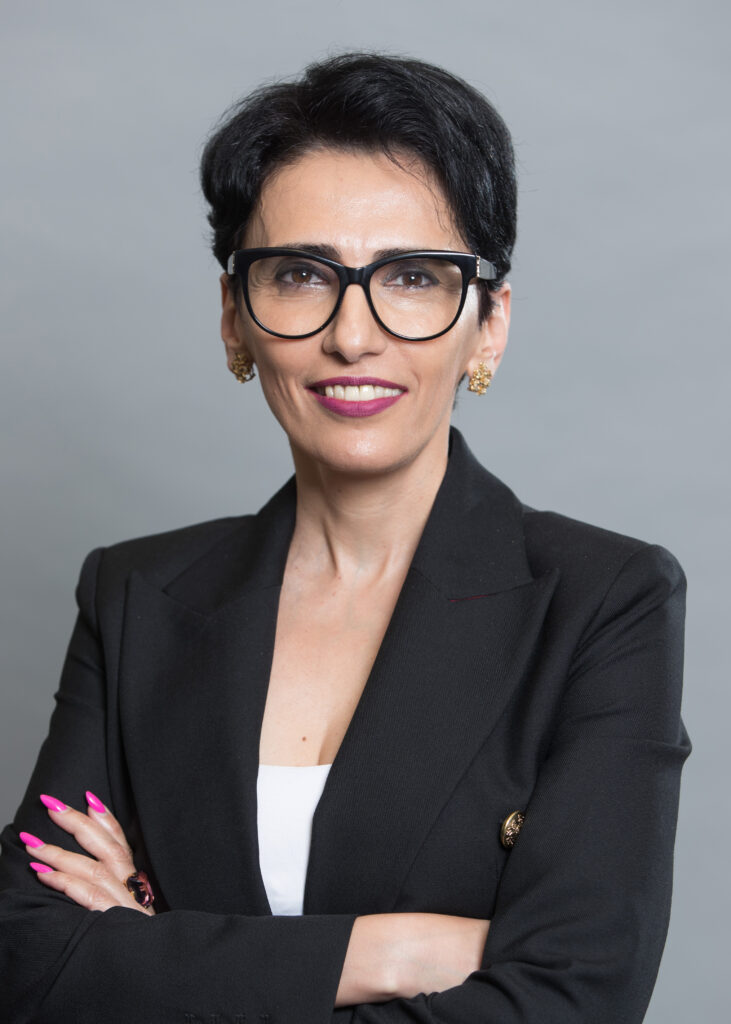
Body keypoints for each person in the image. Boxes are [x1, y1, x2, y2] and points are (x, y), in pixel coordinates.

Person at [0, 52, 690, 1024]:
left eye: (411, 277)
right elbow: (26, 960)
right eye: (298, 274)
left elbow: (573, 998)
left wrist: (150, 954)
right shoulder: (135, 595)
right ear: (234, 319)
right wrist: (387, 949)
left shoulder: (603, 599)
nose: (352, 336)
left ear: (487, 325)